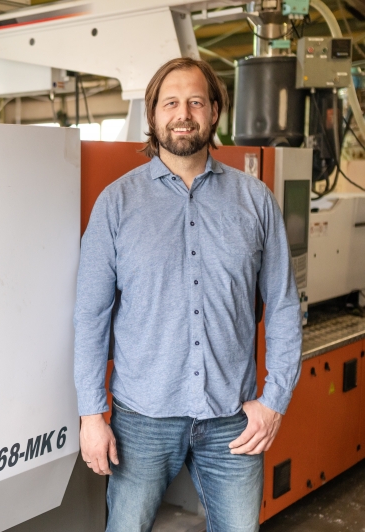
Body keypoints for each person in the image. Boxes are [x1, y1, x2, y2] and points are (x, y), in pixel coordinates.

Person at [73, 57, 302, 532]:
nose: (183, 114)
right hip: (142, 418)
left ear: (214, 111)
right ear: (153, 114)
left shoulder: (255, 200)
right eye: (171, 103)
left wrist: (275, 401)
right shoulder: (116, 204)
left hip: (232, 418)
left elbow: (282, 305)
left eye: (196, 102)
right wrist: (91, 415)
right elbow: (91, 314)